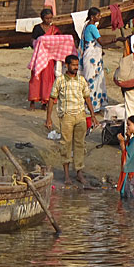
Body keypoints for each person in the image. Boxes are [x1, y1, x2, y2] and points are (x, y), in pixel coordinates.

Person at [46, 54, 99, 187]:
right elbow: (52, 99)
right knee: (66, 144)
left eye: (77, 65)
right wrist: (48, 119)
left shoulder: (81, 80)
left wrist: (93, 115)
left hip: (80, 115)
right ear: (67, 66)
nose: (76, 68)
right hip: (66, 116)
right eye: (73, 65)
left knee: (80, 144)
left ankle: (79, 172)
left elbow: (87, 98)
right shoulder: (59, 81)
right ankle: (67, 174)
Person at [79, 7, 118, 113]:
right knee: (92, 81)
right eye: (98, 16)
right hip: (92, 58)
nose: (99, 17)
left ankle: (92, 105)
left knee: (91, 79)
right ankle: (91, 106)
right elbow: (101, 42)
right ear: (92, 17)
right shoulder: (92, 27)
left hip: (90, 55)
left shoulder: (86, 25)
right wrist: (115, 40)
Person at [29, 8, 61, 110]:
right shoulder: (37, 28)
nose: (49, 20)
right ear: (42, 18)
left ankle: (45, 101)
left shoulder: (54, 29)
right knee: (36, 78)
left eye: (50, 18)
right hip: (39, 57)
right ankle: (33, 101)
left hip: (50, 58)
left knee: (48, 79)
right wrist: (39, 44)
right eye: (47, 18)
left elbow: (59, 40)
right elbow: (33, 41)